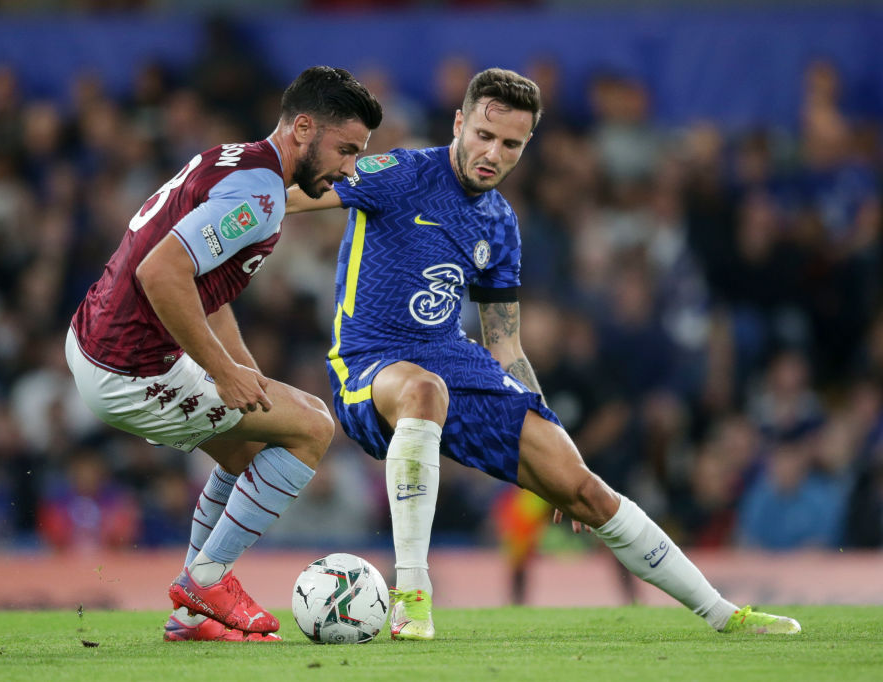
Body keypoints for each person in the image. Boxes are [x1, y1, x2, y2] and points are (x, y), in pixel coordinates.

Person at [287, 67, 800, 640]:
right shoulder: (400, 172)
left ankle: (724, 614)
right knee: (422, 390)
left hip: (451, 357)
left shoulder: (500, 223)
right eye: (483, 134)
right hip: (370, 358)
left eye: (511, 144)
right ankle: (412, 594)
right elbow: (288, 198)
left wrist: (553, 437)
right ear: (460, 123)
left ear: (525, 147)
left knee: (584, 488)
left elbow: (504, 344)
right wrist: (219, 225)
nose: (493, 153)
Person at [66, 66, 382, 642]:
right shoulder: (258, 196)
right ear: (303, 128)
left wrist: (241, 369)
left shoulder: (234, 159)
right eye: (346, 150)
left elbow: (203, 287)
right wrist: (219, 371)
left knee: (253, 451)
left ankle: (190, 616)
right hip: (130, 368)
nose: (349, 166)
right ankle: (206, 581)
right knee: (313, 428)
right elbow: (161, 273)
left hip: (97, 338)